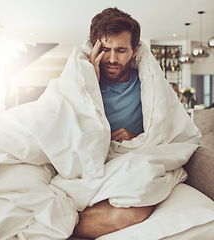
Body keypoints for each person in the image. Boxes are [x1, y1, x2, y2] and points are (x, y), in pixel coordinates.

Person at [73, 7, 154, 239]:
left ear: (134, 50)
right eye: (105, 49)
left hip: (125, 162)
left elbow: (164, 133)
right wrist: (90, 83)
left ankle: (62, 221)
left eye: (120, 50)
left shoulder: (147, 87)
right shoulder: (84, 82)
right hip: (87, 166)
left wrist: (135, 138)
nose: (111, 58)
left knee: (139, 207)